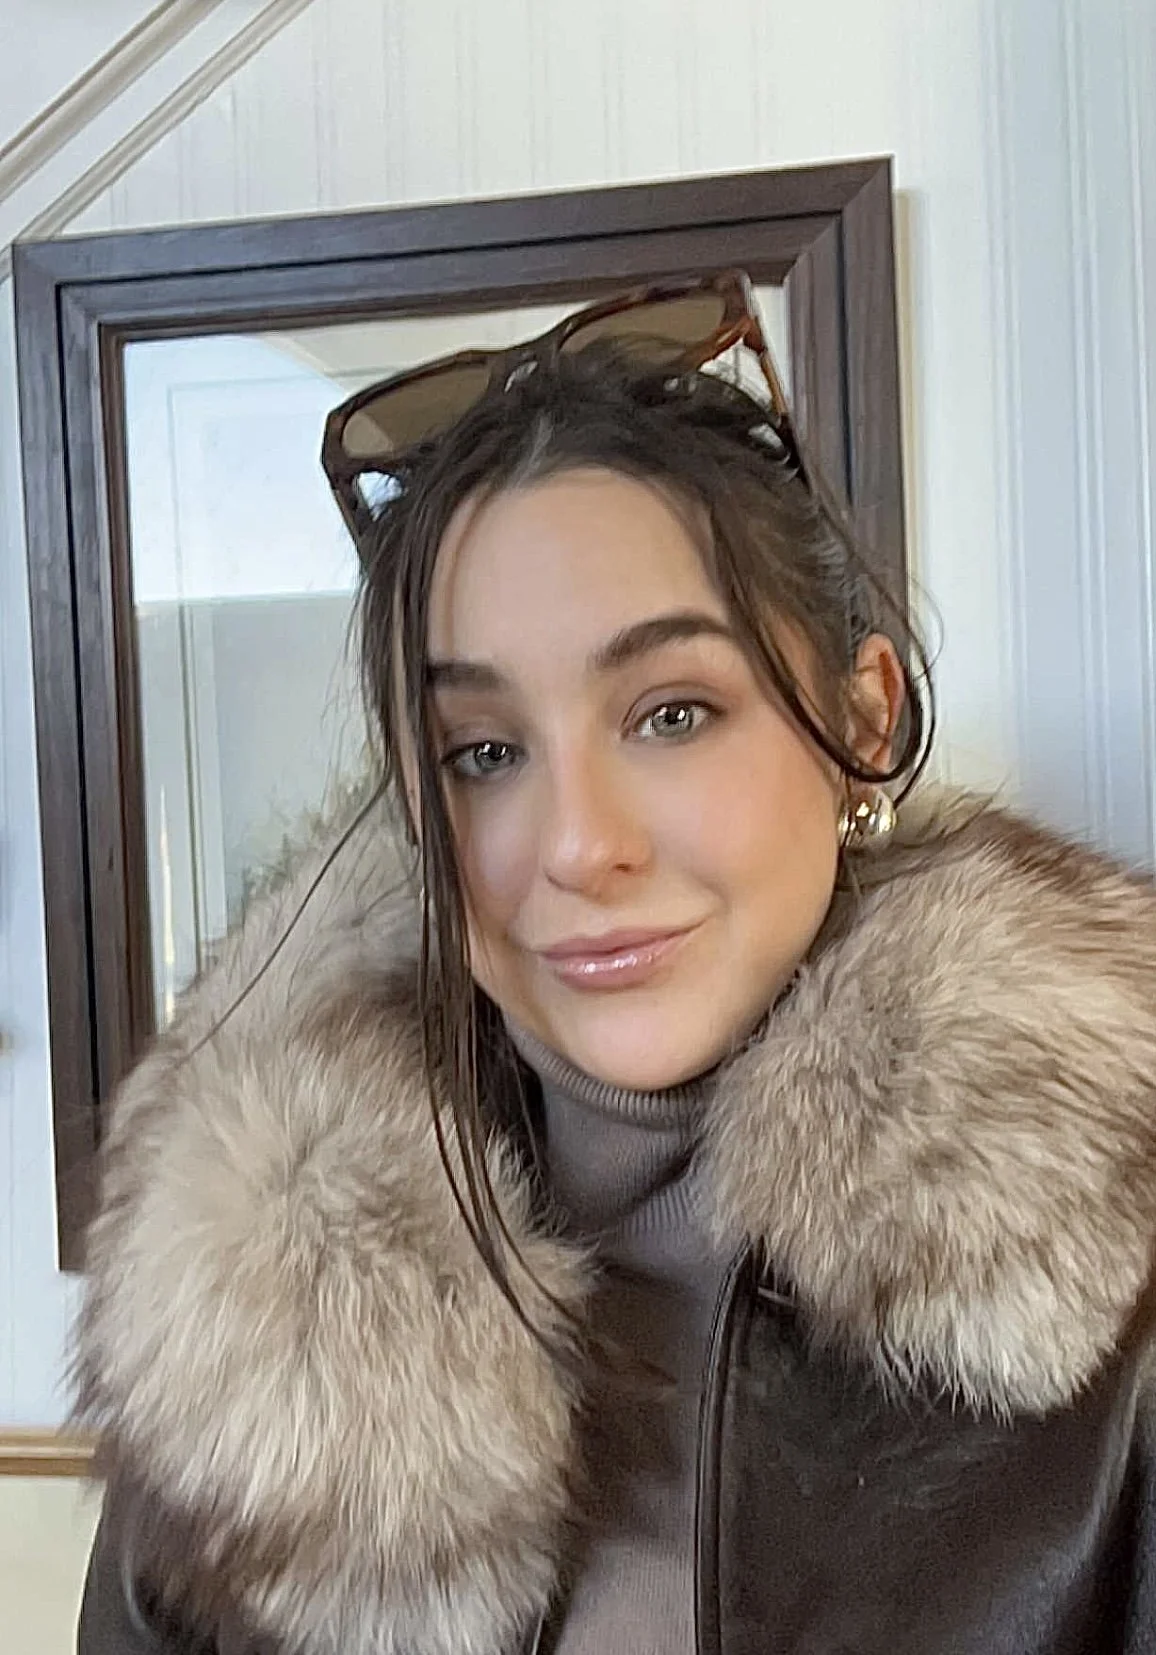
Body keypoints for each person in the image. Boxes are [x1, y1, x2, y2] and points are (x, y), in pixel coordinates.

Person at [76, 272, 1156, 1655]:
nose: (578, 844)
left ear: (866, 721)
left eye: (673, 711)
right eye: (484, 751)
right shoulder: (233, 1326)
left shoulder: (1117, 1282)